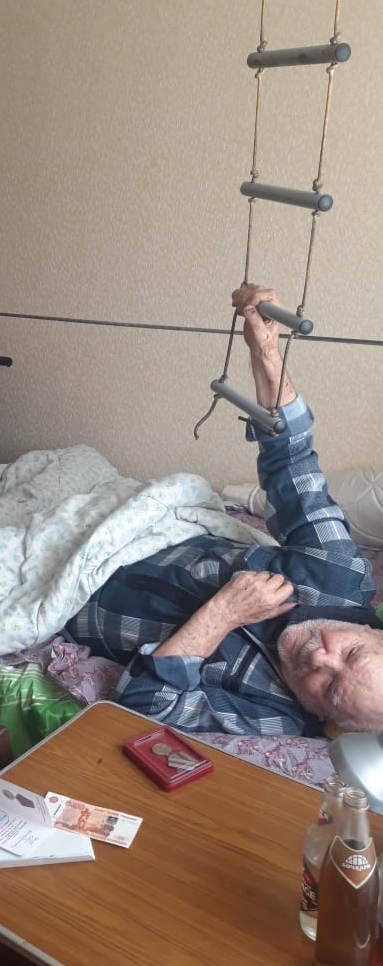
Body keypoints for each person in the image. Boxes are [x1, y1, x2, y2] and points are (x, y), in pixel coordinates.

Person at [65, 283, 383, 737]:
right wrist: (266, 351)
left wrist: (224, 613)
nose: (320, 658)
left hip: (71, 598)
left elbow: (143, 707)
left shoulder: (277, 715)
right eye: (350, 653)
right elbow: (293, 465)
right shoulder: (337, 575)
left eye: (330, 688)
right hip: (122, 528)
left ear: (327, 720)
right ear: (376, 634)